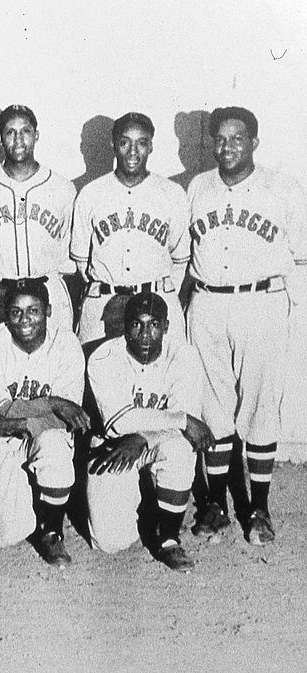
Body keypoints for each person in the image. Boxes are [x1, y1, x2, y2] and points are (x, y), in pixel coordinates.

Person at [186, 106, 307, 545]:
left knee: (258, 407)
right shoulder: (198, 186)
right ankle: (215, 504)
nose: (227, 146)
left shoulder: (282, 188)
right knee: (212, 404)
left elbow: (301, 254)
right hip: (207, 302)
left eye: (237, 138)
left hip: (261, 301)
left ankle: (258, 508)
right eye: (220, 138)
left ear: (254, 141)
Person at [85, 292, 213, 571]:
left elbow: (188, 430)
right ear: (124, 326)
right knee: (110, 542)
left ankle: (168, 539)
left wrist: (143, 437)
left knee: (180, 450)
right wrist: (179, 419)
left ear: (166, 327)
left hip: (154, 442)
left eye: (154, 324)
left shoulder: (184, 355)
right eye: (136, 324)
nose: (145, 334)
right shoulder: (104, 357)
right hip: (113, 446)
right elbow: (118, 423)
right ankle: (146, 502)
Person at [0, 279, 88, 566]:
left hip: (39, 434)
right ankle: (30, 500)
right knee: (2, 536)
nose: (24, 320)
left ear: (48, 310)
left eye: (33, 310)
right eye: (16, 312)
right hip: (4, 442)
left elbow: (66, 420)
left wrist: (15, 421)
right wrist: (52, 403)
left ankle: (53, 531)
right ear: (5, 314)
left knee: (55, 442)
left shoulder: (66, 344)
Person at [70, 112, 190, 347]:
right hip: (104, 300)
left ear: (151, 146)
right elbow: (82, 263)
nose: (133, 151)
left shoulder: (171, 193)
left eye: (141, 143)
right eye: (125, 142)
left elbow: (180, 259)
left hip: (155, 301)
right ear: (113, 144)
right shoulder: (91, 193)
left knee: (160, 375)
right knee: (96, 370)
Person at [0, 105, 76, 337]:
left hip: (46, 290)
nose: (18, 139)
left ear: (36, 135)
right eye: (10, 132)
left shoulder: (62, 188)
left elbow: (71, 250)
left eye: (25, 131)